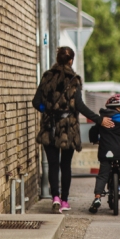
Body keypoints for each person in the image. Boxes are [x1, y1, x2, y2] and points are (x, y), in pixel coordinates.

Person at [33, 47, 114, 214]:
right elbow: (80, 106)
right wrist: (99, 119)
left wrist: (47, 110)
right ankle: (64, 201)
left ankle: (54, 197)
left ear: (57, 59)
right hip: (67, 128)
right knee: (66, 166)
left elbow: (36, 102)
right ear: (71, 60)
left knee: (53, 165)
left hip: (49, 126)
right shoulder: (74, 80)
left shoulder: (47, 76)